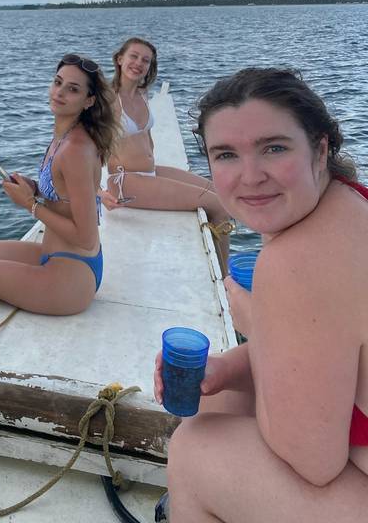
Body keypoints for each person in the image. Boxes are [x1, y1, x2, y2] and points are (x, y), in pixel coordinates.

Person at [154, 67, 368, 521]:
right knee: (219, 397)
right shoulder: (351, 205)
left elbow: (312, 462)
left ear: (320, 149)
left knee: (196, 451)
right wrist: (227, 369)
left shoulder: (298, 260)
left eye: (273, 148)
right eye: (227, 154)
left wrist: (259, 324)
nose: (250, 177)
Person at [0, 54, 118, 315]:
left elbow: (85, 236)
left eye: (73, 89)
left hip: (70, 277)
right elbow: (64, 192)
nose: (60, 92)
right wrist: (34, 187)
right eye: (58, 83)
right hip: (56, 256)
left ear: (88, 101)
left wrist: (30, 204)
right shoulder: (65, 135)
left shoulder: (76, 150)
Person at [102, 36, 232, 268]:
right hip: (125, 182)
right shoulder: (107, 100)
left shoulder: (142, 94)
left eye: (146, 60)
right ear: (120, 59)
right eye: (134, 56)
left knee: (218, 191)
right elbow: (84, 146)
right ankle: (226, 279)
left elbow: (147, 139)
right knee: (219, 206)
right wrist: (97, 192)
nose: (139, 63)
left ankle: (223, 266)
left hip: (149, 173)